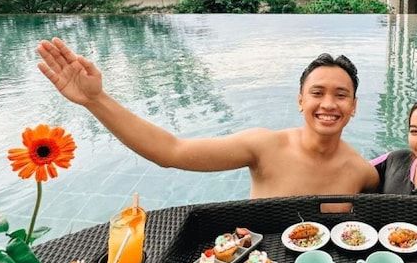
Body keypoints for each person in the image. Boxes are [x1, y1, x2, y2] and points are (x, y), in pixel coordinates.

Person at [36, 38, 379, 198]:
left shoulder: (361, 173)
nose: (328, 104)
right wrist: (96, 100)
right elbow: (171, 152)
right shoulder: (265, 147)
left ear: (354, 106)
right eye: (317, 93)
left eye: (341, 95)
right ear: (300, 100)